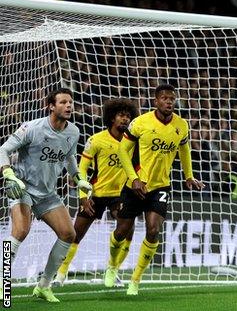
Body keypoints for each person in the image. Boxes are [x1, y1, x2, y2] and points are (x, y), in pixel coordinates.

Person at [0, 88, 92, 302]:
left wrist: (78, 178)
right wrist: (8, 173)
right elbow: (3, 150)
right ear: (51, 106)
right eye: (63, 102)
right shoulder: (32, 128)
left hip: (47, 193)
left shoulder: (74, 132)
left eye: (70, 102)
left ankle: (43, 286)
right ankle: (3, 281)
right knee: (20, 231)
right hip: (22, 187)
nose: (68, 106)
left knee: (68, 234)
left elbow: (69, 157)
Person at [113, 84, 204, 295]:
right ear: (156, 101)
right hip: (135, 185)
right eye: (164, 98)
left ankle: (135, 280)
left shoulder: (181, 125)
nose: (169, 101)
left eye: (172, 98)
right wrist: (134, 178)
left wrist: (188, 175)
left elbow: (184, 149)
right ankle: (112, 266)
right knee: (122, 231)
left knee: (153, 230)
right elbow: (122, 151)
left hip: (161, 185)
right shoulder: (140, 123)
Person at [53, 98, 139, 287]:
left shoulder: (134, 143)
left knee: (128, 230)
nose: (125, 119)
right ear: (112, 118)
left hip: (121, 195)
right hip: (96, 194)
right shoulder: (96, 140)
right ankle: (61, 273)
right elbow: (82, 169)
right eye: (121, 115)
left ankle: (113, 269)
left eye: (128, 116)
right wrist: (83, 197)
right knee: (75, 234)